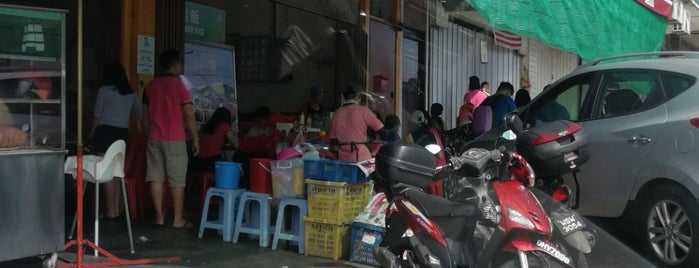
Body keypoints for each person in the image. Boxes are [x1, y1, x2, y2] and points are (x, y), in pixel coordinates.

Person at [143, 49, 199, 228]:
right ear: (175, 64)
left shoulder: (150, 86)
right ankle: (177, 219)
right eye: (180, 63)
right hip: (175, 138)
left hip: (154, 137)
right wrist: (196, 138)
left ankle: (159, 217)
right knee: (177, 180)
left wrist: (148, 133)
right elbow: (189, 113)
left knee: (155, 177)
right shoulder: (180, 86)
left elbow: (145, 116)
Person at [88, 61, 143, 219]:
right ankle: (116, 209)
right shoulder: (131, 93)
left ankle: (111, 210)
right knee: (117, 171)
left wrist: (91, 136)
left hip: (105, 134)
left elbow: (97, 117)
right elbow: (140, 114)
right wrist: (146, 133)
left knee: (106, 171)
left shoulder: (104, 91)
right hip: (122, 136)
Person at [329, 84, 385, 163]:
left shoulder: (336, 113)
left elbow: (334, 143)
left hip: (343, 159)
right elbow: (381, 129)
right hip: (361, 157)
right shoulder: (363, 110)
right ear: (358, 96)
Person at [189, 107, 239, 173]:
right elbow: (237, 146)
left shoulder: (204, 126)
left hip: (196, 162)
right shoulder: (224, 126)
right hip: (211, 163)